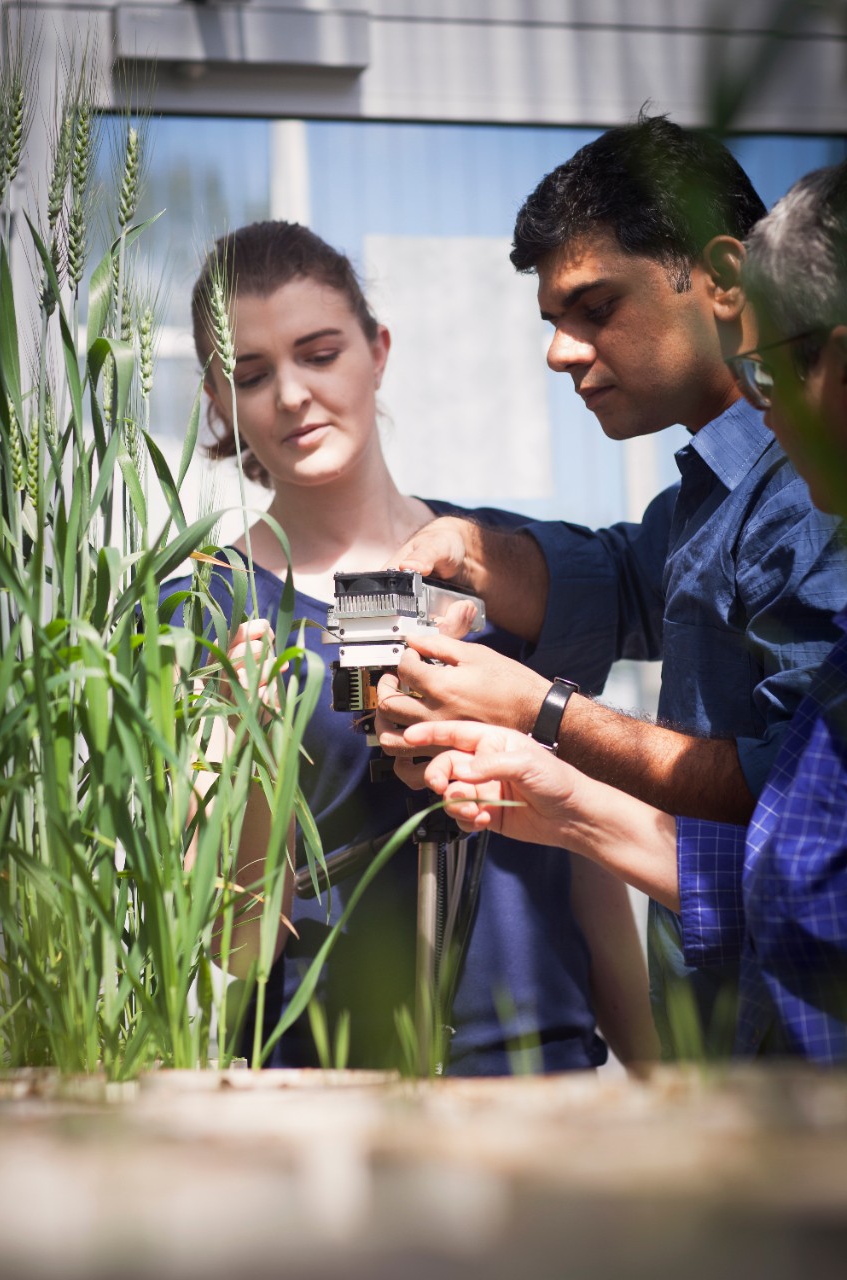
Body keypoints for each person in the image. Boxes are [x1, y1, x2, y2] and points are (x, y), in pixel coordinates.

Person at [374, 113, 847, 1058]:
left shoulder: (809, 488)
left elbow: (794, 807)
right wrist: (473, 551)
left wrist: (541, 713)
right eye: (554, 321)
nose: (560, 352)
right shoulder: (723, 487)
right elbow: (628, 580)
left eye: (595, 309)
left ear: (719, 279)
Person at [164, 220, 656, 1074]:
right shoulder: (204, 605)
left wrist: (665, 1080)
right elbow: (230, 951)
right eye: (250, 375)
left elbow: (585, 852)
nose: (290, 396)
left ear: (377, 349)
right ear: (217, 399)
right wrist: (253, 769)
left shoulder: (512, 568)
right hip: (323, 1089)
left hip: (542, 1071)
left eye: (319, 353)